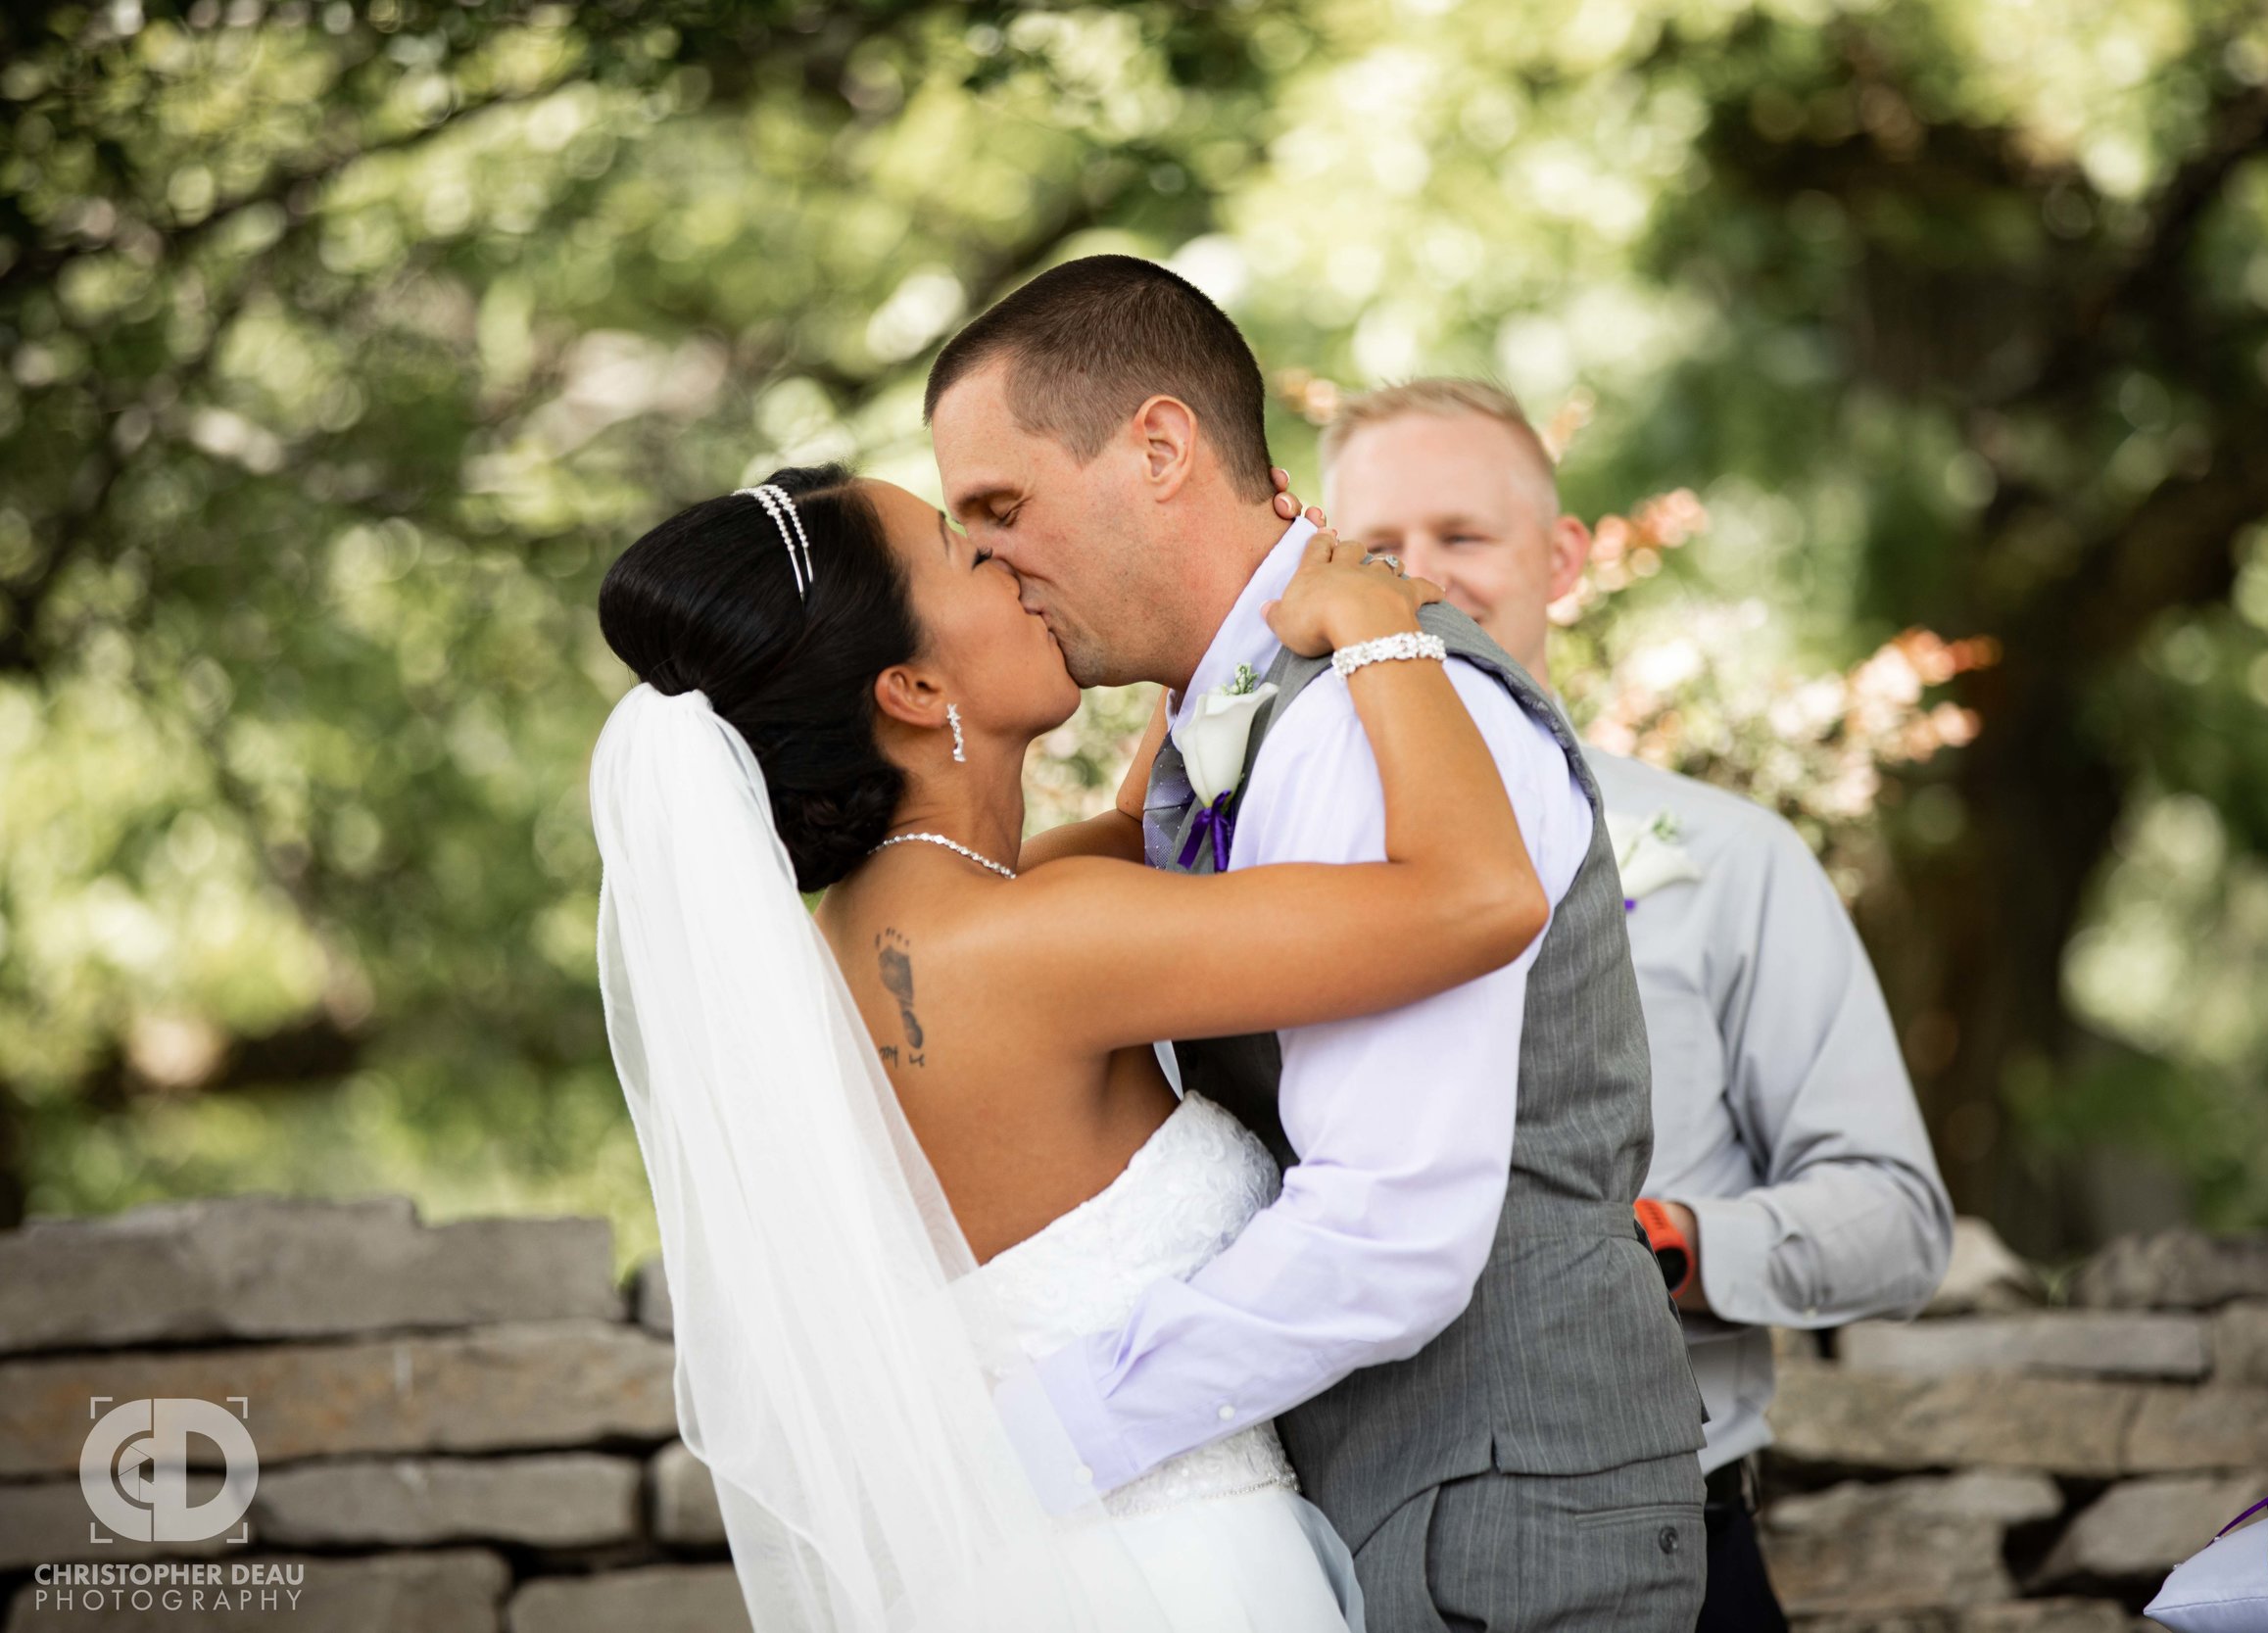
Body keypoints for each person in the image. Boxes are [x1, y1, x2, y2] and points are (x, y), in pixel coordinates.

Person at [593, 465, 1564, 1628]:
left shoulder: (904, 926)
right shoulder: (1023, 943)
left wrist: (1202, 597)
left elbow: (1158, 814)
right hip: (1166, 1580)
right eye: (967, 551)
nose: (1011, 562)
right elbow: (1476, 900)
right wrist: (1378, 632)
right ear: (909, 685)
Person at [926, 257, 1710, 1633]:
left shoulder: (1366, 709)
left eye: (1003, 504)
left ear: (1160, 447)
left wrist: (1026, 1446)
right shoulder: (1244, 707)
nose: (989, 559)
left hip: (1498, 1520)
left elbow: (1390, 1229)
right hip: (1401, 1505)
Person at [1319, 376, 1955, 1632]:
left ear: (1560, 561)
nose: (1415, 579)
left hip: (1666, 1539)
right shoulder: (1262, 867)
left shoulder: (1730, 857)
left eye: (1461, 536)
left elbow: (1895, 1215)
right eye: (1374, 549)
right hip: (1338, 1551)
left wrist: (1668, 1246)